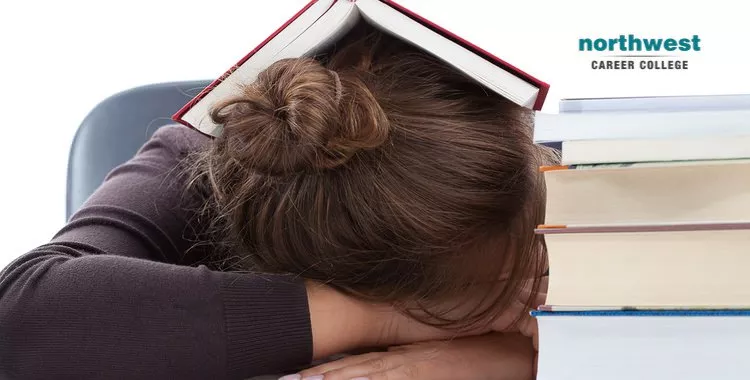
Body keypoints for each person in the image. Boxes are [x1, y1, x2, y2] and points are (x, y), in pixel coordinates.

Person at [0, 24, 556, 380]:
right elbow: (21, 319)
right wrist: (388, 322)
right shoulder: (204, 161)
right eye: (467, 300)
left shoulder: (522, 167)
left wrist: (525, 358)